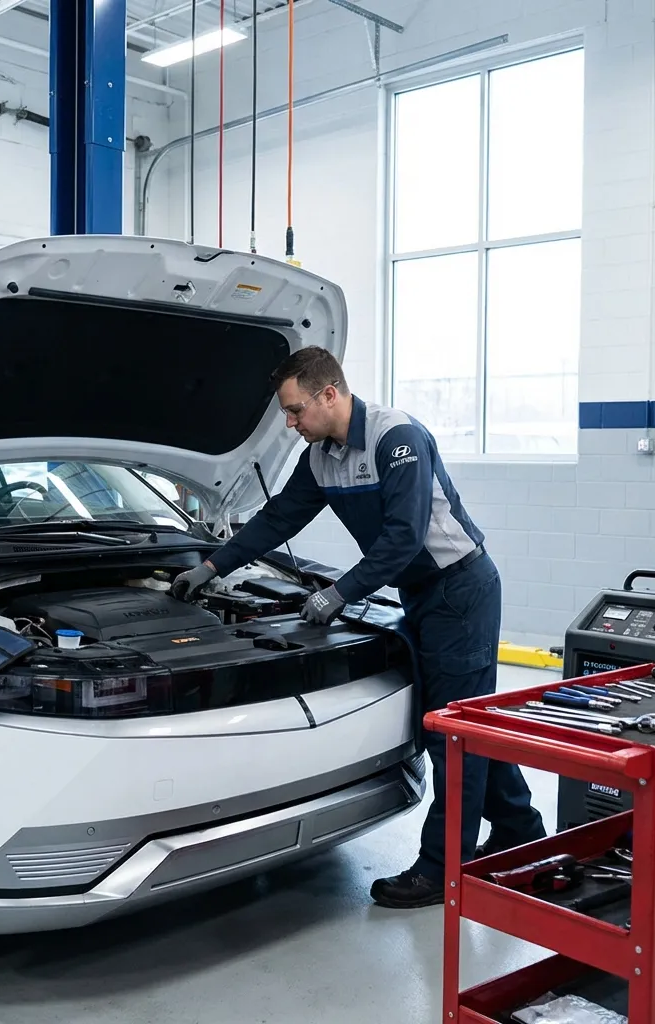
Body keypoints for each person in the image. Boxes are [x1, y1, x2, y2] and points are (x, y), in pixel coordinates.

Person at [170, 346, 546, 909]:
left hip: (461, 590)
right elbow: (278, 518)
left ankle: (443, 871)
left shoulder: (398, 440)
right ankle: (520, 830)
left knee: (451, 733)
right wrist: (211, 566)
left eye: (296, 411)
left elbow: (404, 536)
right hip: (421, 593)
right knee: (461, 718)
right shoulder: (322, 457)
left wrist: (338, 593)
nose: (292, 425)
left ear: (330, 394)